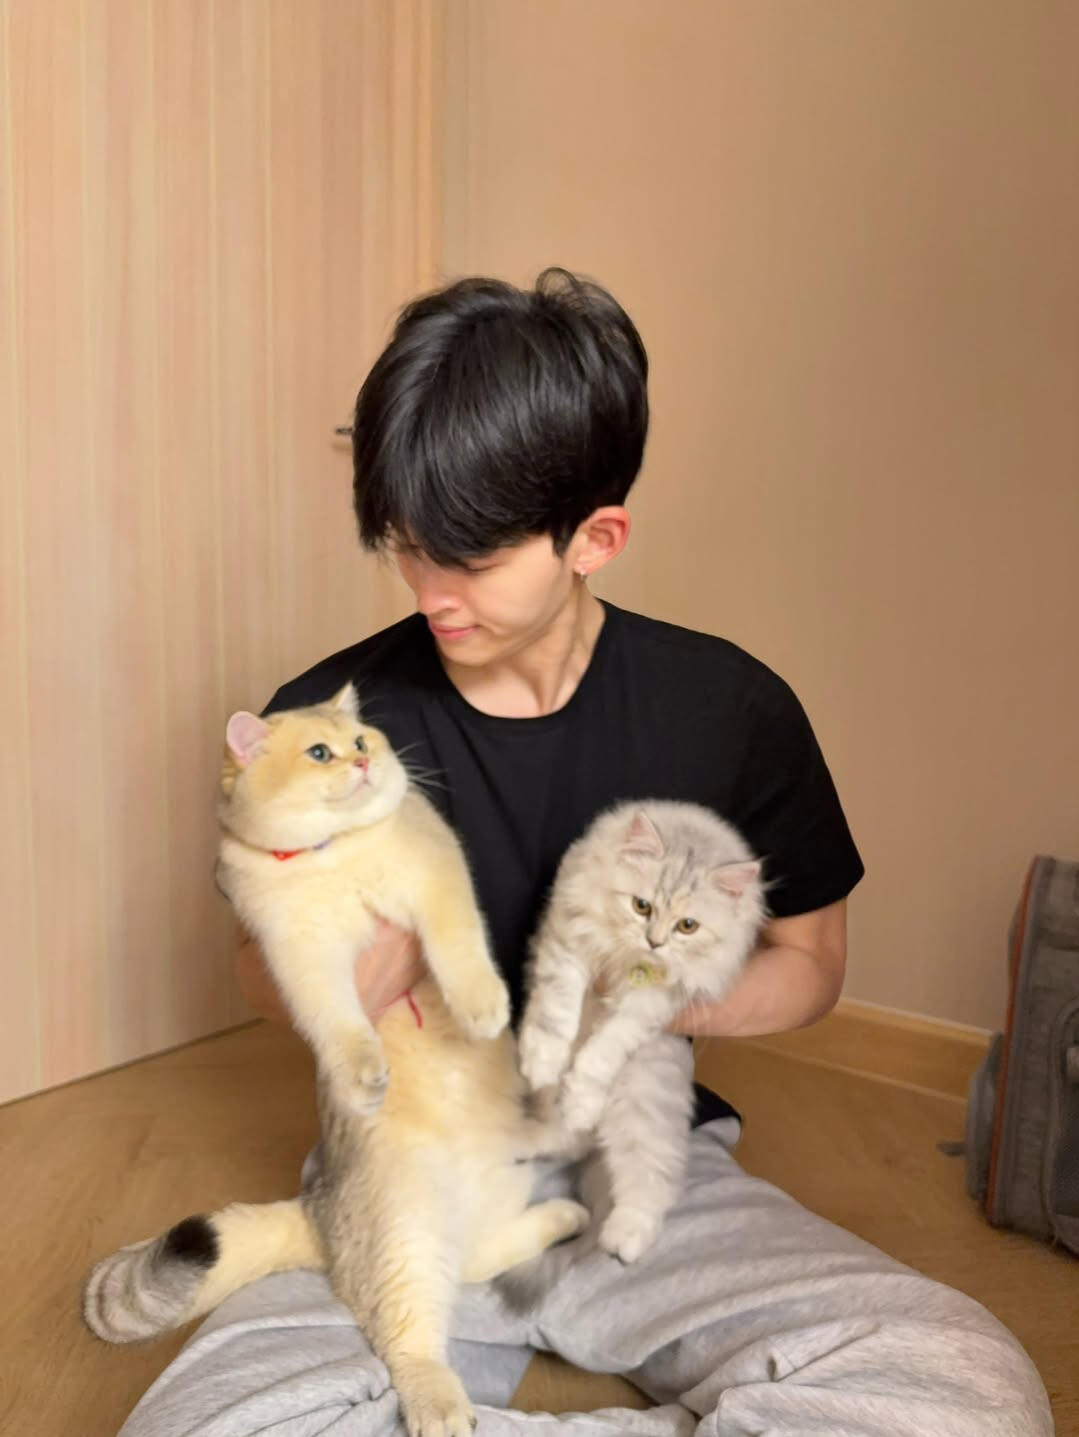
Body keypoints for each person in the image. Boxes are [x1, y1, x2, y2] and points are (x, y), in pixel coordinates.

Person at [121, 271, 1050, 1437]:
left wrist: (661, 1001)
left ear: (594, 539)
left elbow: (810, 963)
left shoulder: (728, 709)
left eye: (471, 557)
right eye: (406, 547)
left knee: (965, 1385)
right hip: (407, 1168)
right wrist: (335, 980)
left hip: (639, 1160)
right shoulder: (330, 723)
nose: (431, 593)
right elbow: (257, 963)